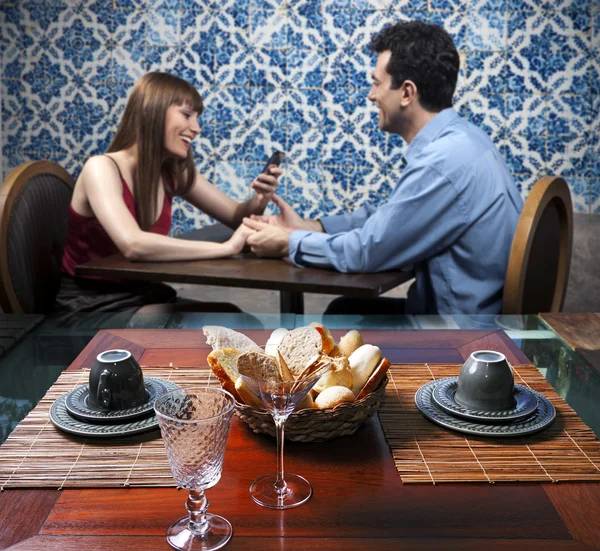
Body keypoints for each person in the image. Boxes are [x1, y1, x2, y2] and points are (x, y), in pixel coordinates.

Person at [242, 20, 524, 316]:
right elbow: (394, 219)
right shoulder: (468, 141)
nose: (371, 95)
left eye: (376, 83)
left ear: (406, 93)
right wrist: (312, 227)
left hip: (458, 337)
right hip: (475, 319)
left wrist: (289, 243)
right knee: (345, 309)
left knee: (343, 314)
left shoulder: (443, 161)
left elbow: (368, 252)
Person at [56, 72, 282, 314]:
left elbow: (237, 216)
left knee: (236, 317)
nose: (196, 128)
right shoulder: (101, 168)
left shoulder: (171, 172)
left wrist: (259, 200)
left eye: (197, 118)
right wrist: (227, 248)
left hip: (142, 295)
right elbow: (133, 244)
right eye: (186, 115)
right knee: (226, 323)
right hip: (91, 306)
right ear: (150, 110)